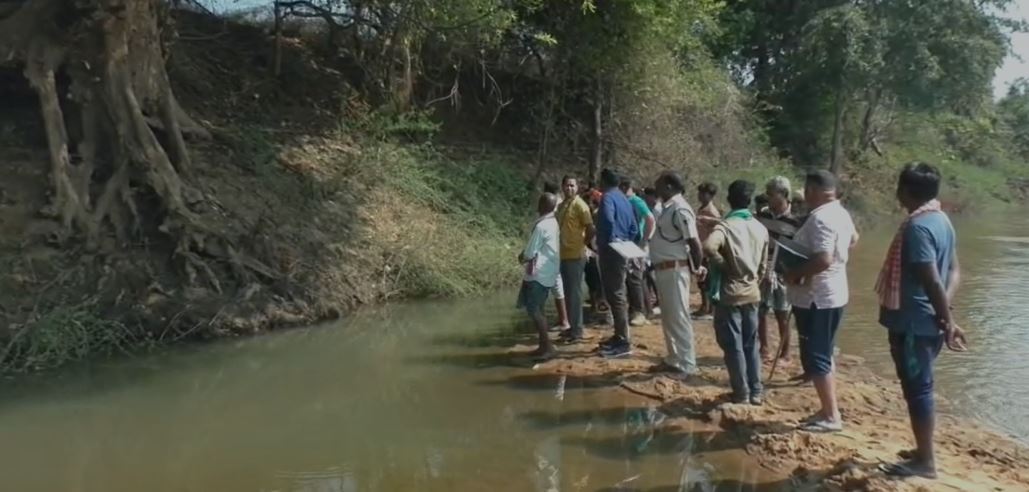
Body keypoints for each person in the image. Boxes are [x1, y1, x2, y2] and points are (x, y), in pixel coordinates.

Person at [875, 162, 966, 479]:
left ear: (904, 191)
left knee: (919, 390)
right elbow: (954, 271)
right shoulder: (941, 219)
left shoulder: (917, 228)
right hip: (928, 321)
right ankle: (921, 451)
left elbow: (932, 281)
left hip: (914, 323)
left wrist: (947, 319)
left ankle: (926, 462)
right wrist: (945, 314)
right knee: (919, 387)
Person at [783, 170, 858, 432]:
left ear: (812, 191)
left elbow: (824, 259)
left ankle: (831, 416)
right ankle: (827, 409)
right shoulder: (841, 213)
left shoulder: (820, 218)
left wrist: (795, 273)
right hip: (833, 292)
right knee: (823, 352)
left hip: (818, 297)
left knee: (816, 356)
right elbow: (853, 240)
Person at [704, 180, 769, 405]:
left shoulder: (726, 226)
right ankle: (756, 391)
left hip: (730, 293)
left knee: (733, 346)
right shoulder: (760, 228)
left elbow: (708, 247)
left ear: (730, 200)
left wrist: (724, 266)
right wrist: (754, 280)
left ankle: (741, 393)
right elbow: (763, 266)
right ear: (749, 201)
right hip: (752, 292)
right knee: (751, 344)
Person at [649, 171, 706, 375]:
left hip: (675, 269)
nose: (656, 188)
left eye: (659, 184)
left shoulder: (680, 208)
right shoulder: (667, 208)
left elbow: (694, 242)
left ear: (669, 186)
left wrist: (697, 267)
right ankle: (674, 358)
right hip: (664, 269)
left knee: (679, 317)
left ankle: (687, 363)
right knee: (669, 317)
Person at [757, 176, 802, 362]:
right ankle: (764, 348)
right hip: (763, 267)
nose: (768, 197)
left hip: (782, 272)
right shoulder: (763, 215)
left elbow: (798, 251)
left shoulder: (796, 222)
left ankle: (785, 353)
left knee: (782, 312)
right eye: (767, 193)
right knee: (760, 309)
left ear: (783, 195)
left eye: (771, 194)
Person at [595, 169, 639, 358]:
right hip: (623, 249)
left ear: (604, 181)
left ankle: (623, 341)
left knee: (615, 294)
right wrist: (626, 241)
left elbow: (607, 219)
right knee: (617, 292)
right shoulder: (624, 199)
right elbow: (635, 228)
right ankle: (618, 335)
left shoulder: (607, 197)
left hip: (611, 250)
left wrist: (609, 240)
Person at [517, 193, 562, 360]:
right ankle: (543, 346)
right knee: (539, 309)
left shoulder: (542, 226)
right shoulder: (553, 222)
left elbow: (529, 253)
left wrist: (522, 257)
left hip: (539, 273)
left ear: (541, 206)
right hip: (548, 270)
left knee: (534, 310)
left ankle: (547, 347)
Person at [556, 176, 595, 343]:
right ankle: (572, 327)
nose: (569, 188)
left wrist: (583, 244)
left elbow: (591, 228)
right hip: (562, 254)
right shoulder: (562, 205)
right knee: (568, 293)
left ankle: (577, 331)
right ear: (562, 187)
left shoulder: (580, 205)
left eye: (572, 185)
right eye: (567, 185)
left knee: (574, 293)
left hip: (575, 255)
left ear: (577, 187)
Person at [620, 178, 656, 326]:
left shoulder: (636, 201)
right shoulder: (624, 201)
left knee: (636, 278)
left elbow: (650, 219)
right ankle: (640, 310)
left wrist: (645, 240)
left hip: (637, 244)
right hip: (626, 244)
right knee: (634, 278)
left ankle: (640, 312)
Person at [543, 182, 570, 331]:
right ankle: (563, 319)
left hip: (553, 249)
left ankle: (563, 321)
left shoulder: (554, 204)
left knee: (556, 284)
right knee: (558, 284)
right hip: (557, 248)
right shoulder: (561, 203)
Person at [695, 182, 721, 319]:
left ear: (710, 195)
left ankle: (710, 309)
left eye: (703, 193)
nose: (700, 196)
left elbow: (720, 223)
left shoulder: (711, 211)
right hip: (700, 249)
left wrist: (709, 220)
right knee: (701, 280)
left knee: (708, 280)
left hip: (708, 250)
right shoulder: (701, 209)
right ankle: (704, 306)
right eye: (700, 193)